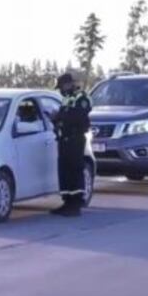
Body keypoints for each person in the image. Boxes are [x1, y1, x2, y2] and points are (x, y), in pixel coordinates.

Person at [50, 71, 91, 217]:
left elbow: (79, 115)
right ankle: (67, 202)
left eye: (61, 86)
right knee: (64, 171)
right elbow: (63, 115)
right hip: (64, 139)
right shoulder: (66, 99)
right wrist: (55, 119)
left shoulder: (82, 97)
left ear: (68, 84)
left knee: (75, 170)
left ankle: (76, 204)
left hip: (75, 139)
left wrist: (60, 116)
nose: (60, 90)